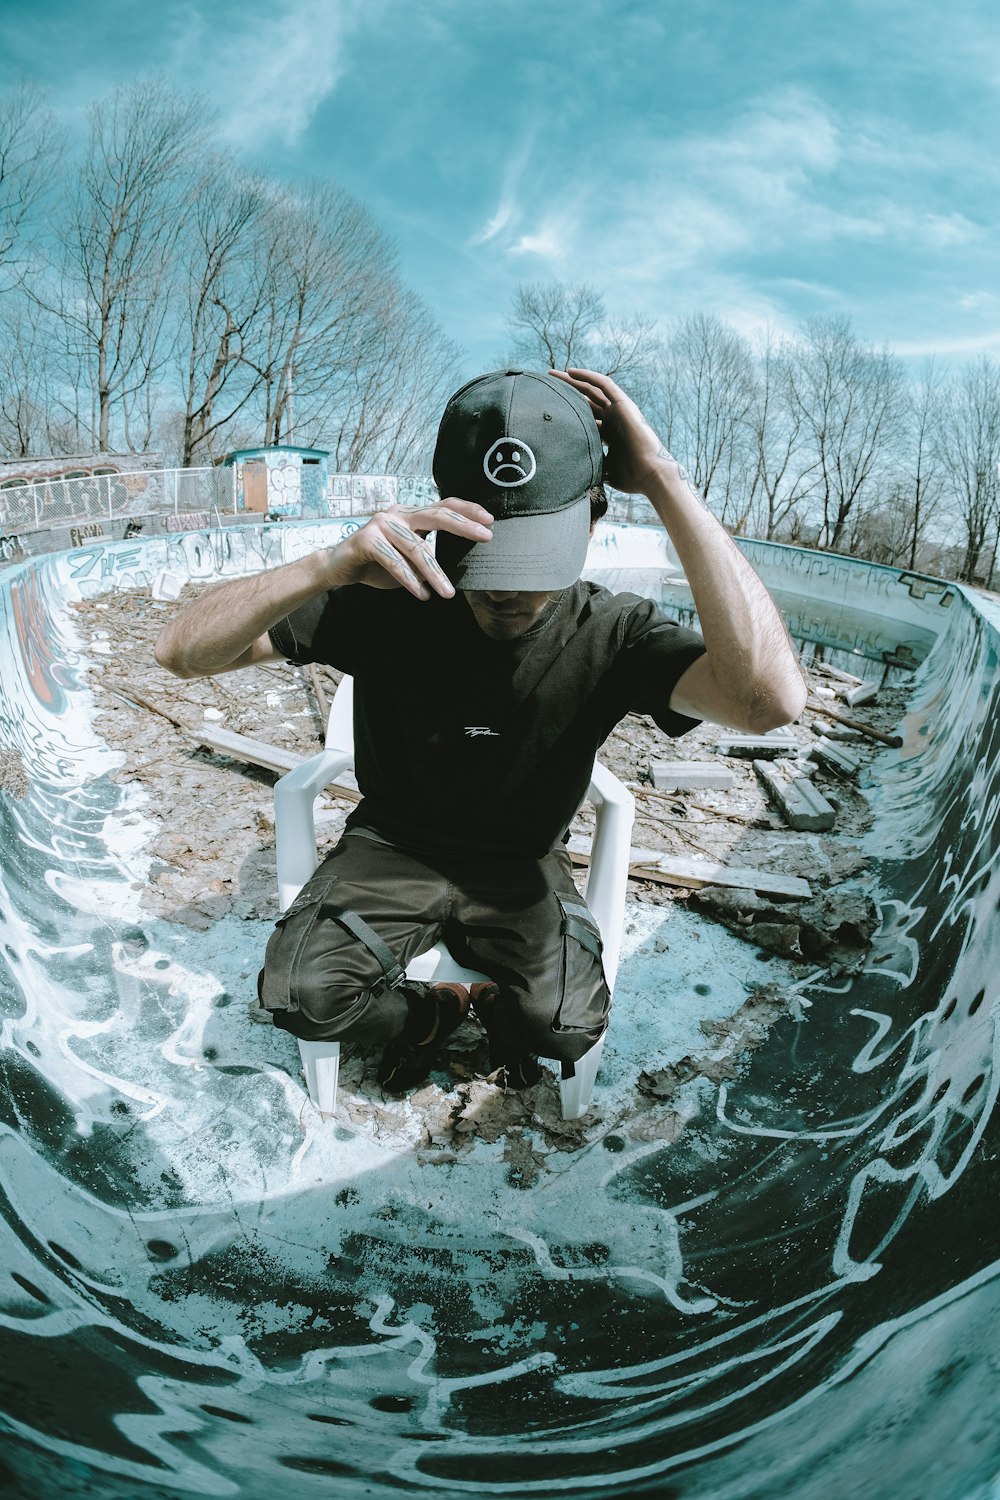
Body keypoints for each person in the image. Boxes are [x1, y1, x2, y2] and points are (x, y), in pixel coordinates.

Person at [155, 368, 806, 1095]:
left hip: (522, 865)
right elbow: (181, 652)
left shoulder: (614, 631)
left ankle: (496, 1006)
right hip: (389, 848)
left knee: (564, 1025)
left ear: (593, 522)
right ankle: (430, 1015)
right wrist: (325, 565)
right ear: (440, 517)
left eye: (537, 560)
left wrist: (662, 479)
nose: (507, 591)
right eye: (484, 556)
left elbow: (767, 701)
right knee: (302, 996)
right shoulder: (386, 598)